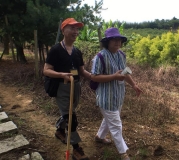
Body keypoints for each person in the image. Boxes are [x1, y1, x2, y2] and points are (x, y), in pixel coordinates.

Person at [91, 27, 143, 160]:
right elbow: (95, 77)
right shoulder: (100, 57)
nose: (117, 42)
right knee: (116, 124)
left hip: (118, 95)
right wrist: (113, 76)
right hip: (105, 97)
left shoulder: (121, 55)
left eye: (119, 40)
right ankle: (123, 153)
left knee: (111, 119)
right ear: (107, 42)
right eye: (113, 40)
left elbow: (125, 72)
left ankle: (99, 137)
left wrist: (134, 85)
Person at [43, 18, 91, 160]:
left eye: (77, 29)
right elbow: (46, 70)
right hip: (62, 88)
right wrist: (61, 75)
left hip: (76, 87)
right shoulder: (56, 50)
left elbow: (82, 72)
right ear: (63, 30)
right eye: (72, 28)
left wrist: (95, 77)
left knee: (69, 112)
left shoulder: (77, 51)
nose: (76, 32)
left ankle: (59, 130)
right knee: (71, 117)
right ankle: (76, 149)